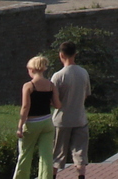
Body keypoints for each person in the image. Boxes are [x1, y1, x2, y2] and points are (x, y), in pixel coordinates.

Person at [13, 56, 61, 179]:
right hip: (47, 122)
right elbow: (57, 105)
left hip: (32, 123)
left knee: (25, 155)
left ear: (32, 69)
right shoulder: (51, 85)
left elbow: (25, 107)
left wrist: (19, 126)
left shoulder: (29, 86)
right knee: (46, 157)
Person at [52, 41, 92, 178]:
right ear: (75, 54)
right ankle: (81, 176)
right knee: (80, 154)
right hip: (80, 118)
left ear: (61, 55)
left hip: (61, 121)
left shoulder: (58, 76)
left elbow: (55, 101)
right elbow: (86, 95)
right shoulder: (84, 73)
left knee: (57, 155)